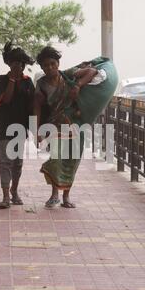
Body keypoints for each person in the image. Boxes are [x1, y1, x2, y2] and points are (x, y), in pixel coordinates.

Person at [33, 46, 118, 209]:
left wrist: (78, 85)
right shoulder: (41, 85)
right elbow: (36, 108)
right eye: (45, 65)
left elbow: (92, 71)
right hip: (54, 126)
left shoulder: (68, 74)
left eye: (52, 64)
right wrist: (36, 131)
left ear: (57, 63)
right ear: (42, 68)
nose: (50, 68)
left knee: (71, 161)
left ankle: (66, 196)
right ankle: (54, 195)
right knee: (56, 159)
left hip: (75, 126)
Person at [0, 43, 35, 209]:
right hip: (3, 128)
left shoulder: (28, 82)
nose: (19, 66)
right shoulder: (2, 80)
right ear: (9, 64)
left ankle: (15, 191)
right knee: (5, 162)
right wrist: (12, 79)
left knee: (17, 163)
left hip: (20, 130)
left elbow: (33, 107)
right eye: (16, 63)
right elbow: (6, 100)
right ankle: (5, 196)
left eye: (22, 64)